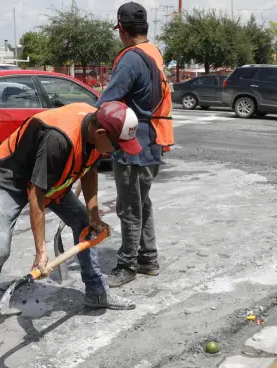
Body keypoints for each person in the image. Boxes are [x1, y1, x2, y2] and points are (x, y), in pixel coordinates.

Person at [0, 101, 143, 315]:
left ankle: (96, 293)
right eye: (117, 145)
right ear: (100, 133)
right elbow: (37, 194)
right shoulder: (58, 139)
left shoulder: (98, 125)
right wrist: (41, 252)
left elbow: (90, 168)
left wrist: (93, 214)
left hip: (50, 179)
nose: (118, 151)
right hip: (11, 178)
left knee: (84, 224)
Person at [96, 2, 174, 288]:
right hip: (154, 142)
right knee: (143, 203)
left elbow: (107, 102)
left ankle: (127, 264)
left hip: (133, 146)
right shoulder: (153, 53)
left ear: (123, 31)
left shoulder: (130, 59)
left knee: (129, 208)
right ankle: (148, 259)